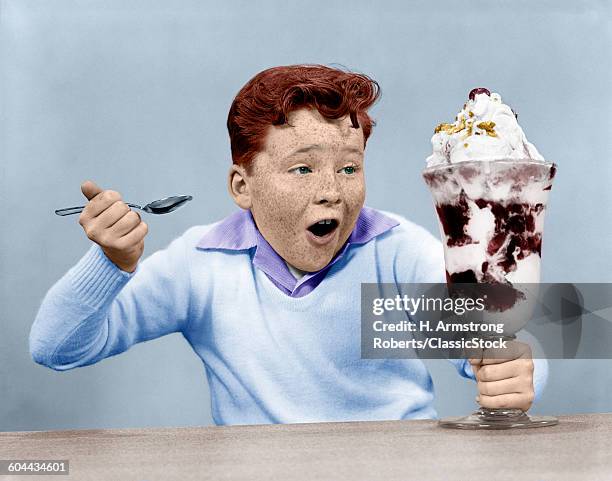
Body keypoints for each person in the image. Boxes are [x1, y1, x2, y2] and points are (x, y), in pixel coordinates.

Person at [30, 65, 544, 425]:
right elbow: (56, 349)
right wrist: (110, 263)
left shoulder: (396, 252)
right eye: (302, 168)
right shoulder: (201, 265)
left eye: (349, 168)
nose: (331, 190)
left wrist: (518, 372)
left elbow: (504, 343)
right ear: (242, 187)